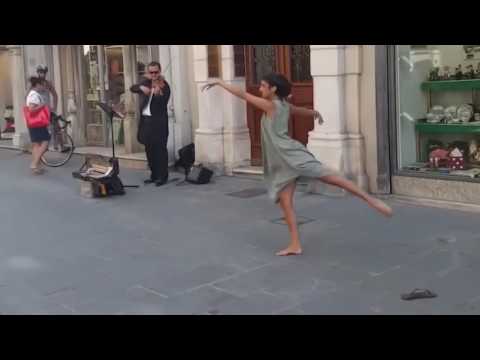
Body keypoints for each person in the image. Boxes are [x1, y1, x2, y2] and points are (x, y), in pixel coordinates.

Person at [203, 73, 393, 256]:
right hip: (283, 162)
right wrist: (314, 112)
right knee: (286, 204)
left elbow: (243, 95)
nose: (260, 88)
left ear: (273, 89)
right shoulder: (283, 105)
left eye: (263, 85)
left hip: (291, 155)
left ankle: (371, 200)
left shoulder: (271, 106)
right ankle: (295, 244)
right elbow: (298, 110)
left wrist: (220, 82)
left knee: (331, 177)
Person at [130, 62, 171, 186]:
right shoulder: (146, 83)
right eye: (151, 72)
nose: (153, 74)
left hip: (159, 124)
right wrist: (142, 88)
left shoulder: (164, 86)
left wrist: (158, 94)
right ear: (148, 72)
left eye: (156, 72)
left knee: (160, 151)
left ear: (160, 71)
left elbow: (163, 102)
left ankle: (162, 177)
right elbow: (132, 88)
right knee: (150, 151)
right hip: (146, 122)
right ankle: (153, 175)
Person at [35, 65, 69, 153]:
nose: (42, 74)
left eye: (43, 72)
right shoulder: (35, 84)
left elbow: (55, 95)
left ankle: (61, 146)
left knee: (56, 126)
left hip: (47, 110)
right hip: (39, 110)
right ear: (38, 73)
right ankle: (42, 146)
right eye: (40, 72)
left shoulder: (48, 83)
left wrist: (54, 107)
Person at [26, 77, 50, 175]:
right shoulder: (34, 95)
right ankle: (34, 163)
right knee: (45, 142)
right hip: (38, 122)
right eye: (42, 85)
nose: (43, 87)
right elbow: (31, 109)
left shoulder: (32, 94)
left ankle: (36, 167)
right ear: (37, 85)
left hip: (33, 123)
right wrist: (42, 105)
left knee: (36, 144)